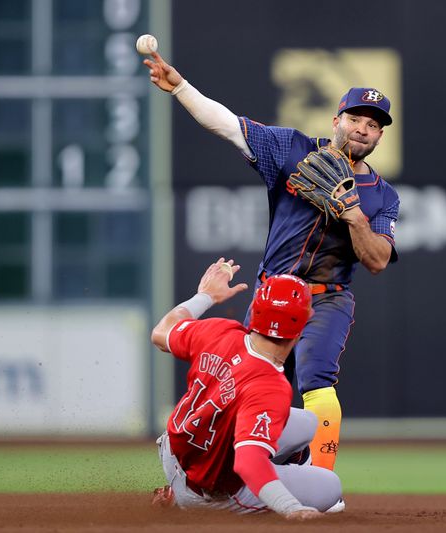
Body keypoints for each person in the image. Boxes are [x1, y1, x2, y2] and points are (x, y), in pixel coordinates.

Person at [145, 52, 399, 470]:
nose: (363, 129)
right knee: (248, 386)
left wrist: (354, 215)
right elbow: (227, 125)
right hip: (272, 292)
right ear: (337, 119)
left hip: (326, 298)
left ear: (379, 137)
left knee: (318, 382)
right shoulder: (292, 148)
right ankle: (225, 475)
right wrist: (181, 89)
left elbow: (377, 260)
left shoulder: (382, 195)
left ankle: (319, 483)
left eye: (373, 125)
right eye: (356, 118)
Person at [151, 258, 343, 519]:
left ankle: (184, 489)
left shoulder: (221, 331)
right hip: (209, 492)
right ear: (302, 324)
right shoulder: (270, 386)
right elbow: (248, 461)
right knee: (330, 487)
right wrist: (292, 509)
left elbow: (161, 333)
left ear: (256, 310)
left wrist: (205, 296)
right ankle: (184, 501)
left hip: (175, 451)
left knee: (309, 423)